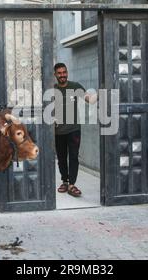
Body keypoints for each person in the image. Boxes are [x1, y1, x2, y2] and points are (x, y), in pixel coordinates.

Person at [53, 62, 97, 197]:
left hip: (74, 129)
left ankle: (72, 184)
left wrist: (101, 92)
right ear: (55, 75)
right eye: (59, 73)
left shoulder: (75, 86)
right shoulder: (52, 89)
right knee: (61, 158)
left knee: (73, 157)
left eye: (64, 72)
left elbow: (89, 99)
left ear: (67, 72)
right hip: (58, 131)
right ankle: (64, 181)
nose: (62, 75)